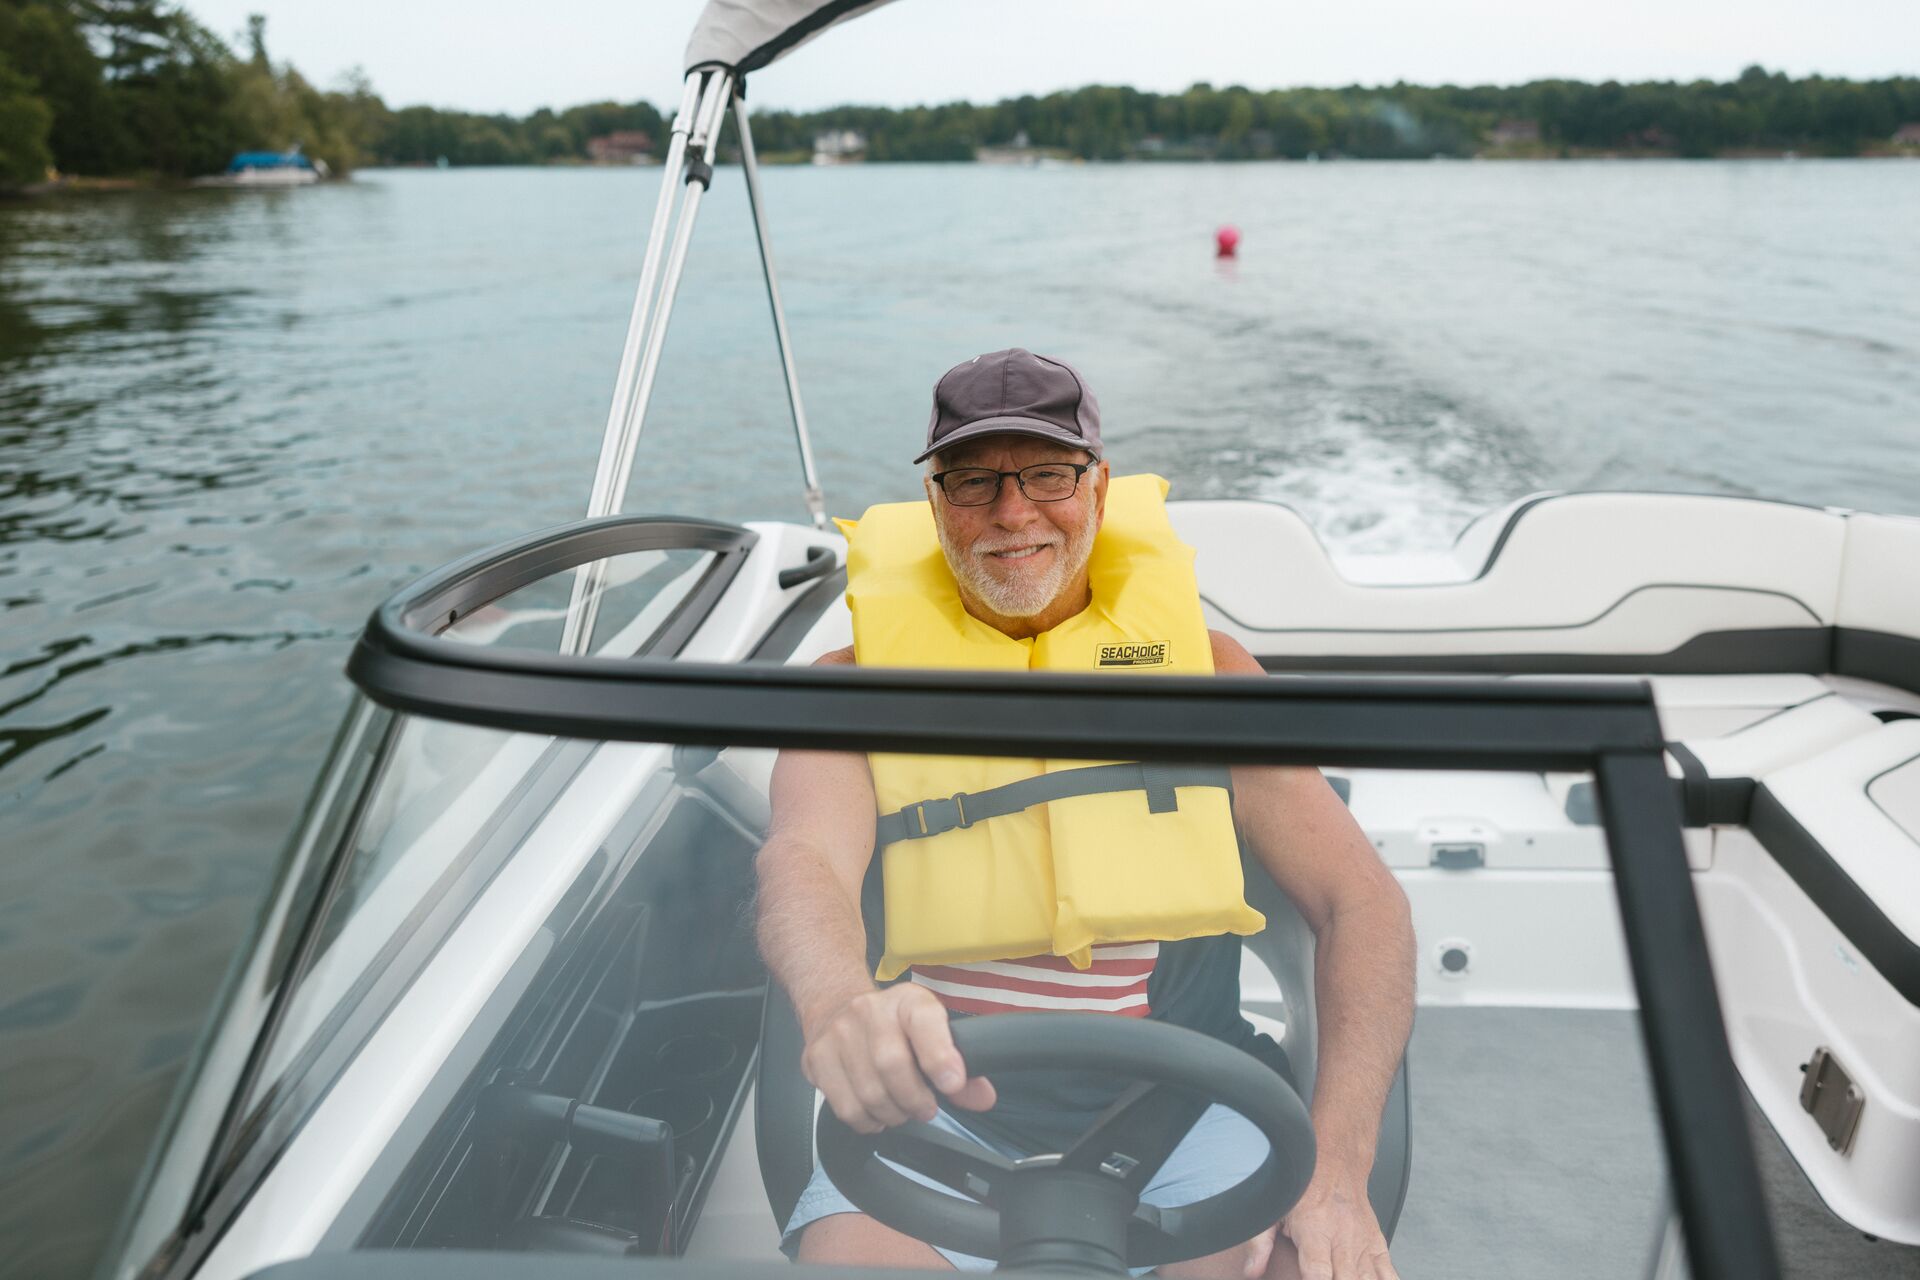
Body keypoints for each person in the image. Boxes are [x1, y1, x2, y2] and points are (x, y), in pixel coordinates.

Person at [757, 348, 1415, 1280]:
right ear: (937, 503)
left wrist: (1340, 1169)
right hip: (932, 1113)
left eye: (1049, 475)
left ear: (1099, 491)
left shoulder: (1209, 678)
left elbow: (1365, 904)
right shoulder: (852, 690)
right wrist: (837, 1004)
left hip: (1189, 1107)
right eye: (975, 482)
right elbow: (802, 862)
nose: (1013, 511)